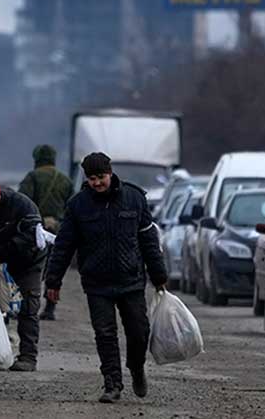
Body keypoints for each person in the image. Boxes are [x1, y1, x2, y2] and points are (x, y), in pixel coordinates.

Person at [45, 152, 168, 403]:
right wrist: (53, 280)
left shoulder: (134, 199)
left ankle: (136, 367)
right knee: (105, 334)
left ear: (110, 173)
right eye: (92, 178)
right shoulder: (78, 206)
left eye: (101, 177)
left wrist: (159, 275)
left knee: (138, 332)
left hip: (131, 280)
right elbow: (64, 246)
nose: (97, 183)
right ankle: (112, 383)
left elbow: (148, 241)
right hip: (97, 283)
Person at [0, 174, 46, 372]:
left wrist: (3, 249)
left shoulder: (22, 205)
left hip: (29, 262)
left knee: (28, 307)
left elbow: (32, 235)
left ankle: (28, 356)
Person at [18, 144, 73, 320]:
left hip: (35, 231)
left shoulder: (32, 177)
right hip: (58, 232)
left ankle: (24, 305)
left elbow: (22, 202)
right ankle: (49, 308)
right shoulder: (65, 180)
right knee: (54, 269)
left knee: (28, 269)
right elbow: (72, 208)